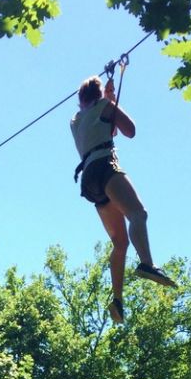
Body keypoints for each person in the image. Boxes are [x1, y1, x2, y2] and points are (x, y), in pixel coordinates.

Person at [70, 72, 176, 324]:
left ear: (80, 101)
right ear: (98, 97)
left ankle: (117, 300)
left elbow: (105, 126)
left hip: (90, 179)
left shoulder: (76, 120)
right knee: (138, 214)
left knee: (120, 242)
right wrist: (111, 101)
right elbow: (129, 130)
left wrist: (107, 98)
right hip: (106, 167)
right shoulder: (105, 107)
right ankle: (147, 264)